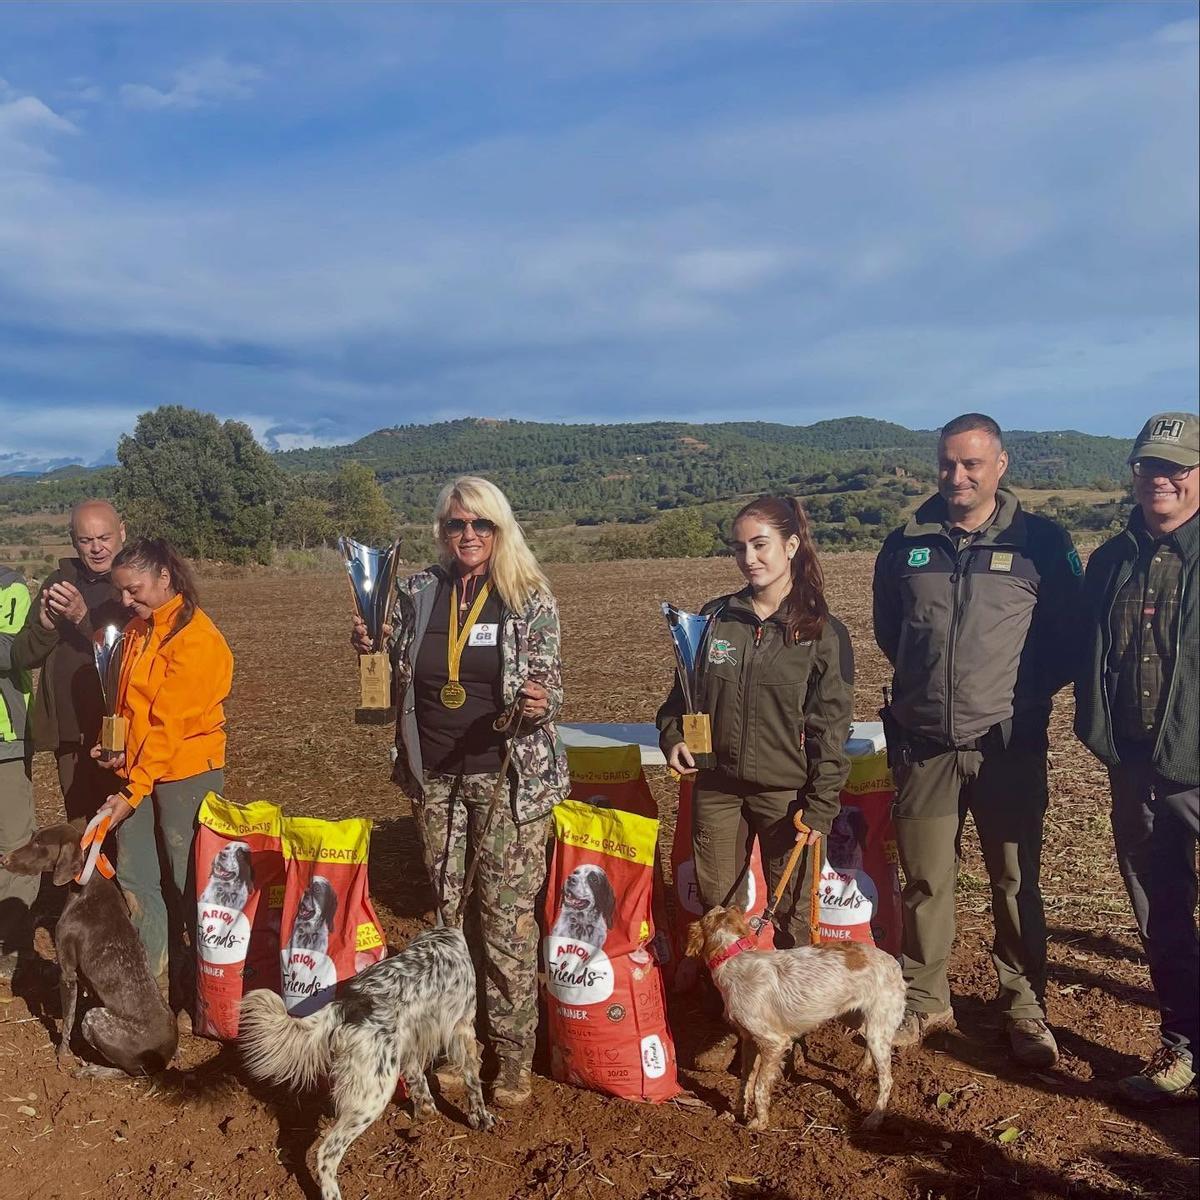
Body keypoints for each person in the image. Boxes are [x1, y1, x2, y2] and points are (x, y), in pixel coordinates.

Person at [351, 475, 568, 1109]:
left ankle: (514, 1054)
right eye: (455, 525)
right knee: (450, 923)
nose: (467, 535)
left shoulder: (528, 595)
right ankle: (459, 1043)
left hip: (508, 780)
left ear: (500, 529)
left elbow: (554, 683)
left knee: (504, 923)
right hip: (435, 778)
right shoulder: (419, 590)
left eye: (480, 525)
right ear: (442, 531)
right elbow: (392, 662)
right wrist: (369, 644)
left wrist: (541, 701)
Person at [873, 413, 1082, 1069]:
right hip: (926, 744)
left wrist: (1017, 701)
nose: (957, 476)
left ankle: (1024, 1008)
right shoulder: (905, 543)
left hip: (1008, 746)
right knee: (926, 881)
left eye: (971, 464)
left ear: (1000, 465)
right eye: (947, 464)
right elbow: (891, 631)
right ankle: (925, 999)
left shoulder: (1042, 542)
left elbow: (1066, 639)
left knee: (1015, 882)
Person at [656, 495, 854, 1064]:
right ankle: (731, 1024)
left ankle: (787, 1031)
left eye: (760, 544)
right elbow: (678, 700)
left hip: (786, 797)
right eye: (739, 547)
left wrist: (820, 806)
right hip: (717, 789)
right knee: (717, 912)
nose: (748, 558)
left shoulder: (822, 633)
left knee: (792, 913)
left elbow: (830, 731)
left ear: (792, 546)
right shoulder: (714, 619)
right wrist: (673, 735)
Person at [1075, 411, 1198, 1103]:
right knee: (1163, 913)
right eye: (1150, 465)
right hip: (1137, 766)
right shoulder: (1112, 559)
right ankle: (1185, 1048)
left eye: (1177, 466)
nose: (1162, 479)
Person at [92, 538, 233, 1019]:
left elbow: (170, 726)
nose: (127, 601)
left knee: (189, 879)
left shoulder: (197, 639)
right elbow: (131, 706)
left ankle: (205, 993)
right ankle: (150, 984)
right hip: (140, 774)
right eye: (122, 593)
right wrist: (113, 748)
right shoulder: (135, 632)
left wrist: (133, 789)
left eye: (135, 590)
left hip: (184, 773)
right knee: (136, 876)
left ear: (164, 578)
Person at [8, 499, 129, 822]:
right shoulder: (58, 583)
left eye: (104, 538)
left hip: (118, 732)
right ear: (74, 541)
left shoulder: (132, 585)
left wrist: (82, 618)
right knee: (81, 824)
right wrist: (47, 627)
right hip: (69, 733)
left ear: (122, 533)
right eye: (86, 541)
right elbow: (22, 655)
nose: (97, 549)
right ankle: (86, 873)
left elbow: (130, 654)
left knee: (121, 826)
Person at [0, 564, 36, 984]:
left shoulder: (10, 587)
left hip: (5, 737)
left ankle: (9, 950)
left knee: (13, 848)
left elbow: (10, 650)